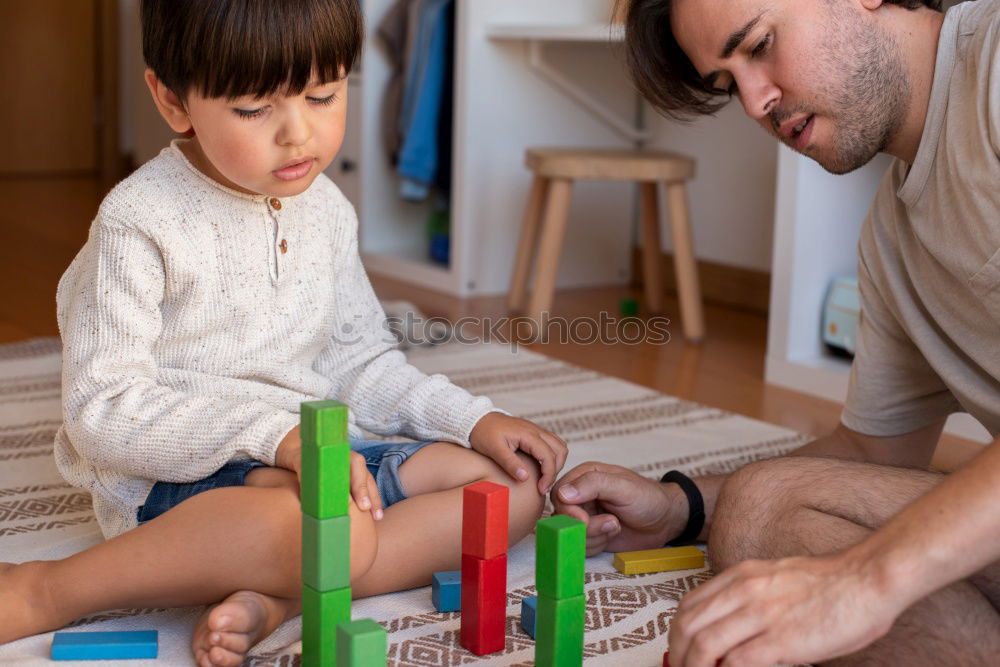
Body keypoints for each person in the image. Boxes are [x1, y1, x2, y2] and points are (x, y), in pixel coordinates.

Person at [0, 1, 569, 665]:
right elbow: (102, 412)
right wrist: (274, 438)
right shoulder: (138, 222)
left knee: (510, 488)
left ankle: (279, 597)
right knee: (338, 530)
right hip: (185, 478)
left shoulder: (327, 209)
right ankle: (48, 589)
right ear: (173, 99)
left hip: (322, 458)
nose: (299, 134)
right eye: (254, 109)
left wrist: (473, 421)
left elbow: (359, 361)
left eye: (324, 94)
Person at [553, 0, 1000, 665]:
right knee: (759, 508)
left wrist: (864, 581)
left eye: (760, 45)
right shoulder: (892, 238)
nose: (755, 103)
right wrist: (681, 506)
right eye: (728, 82)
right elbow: (873, 453)